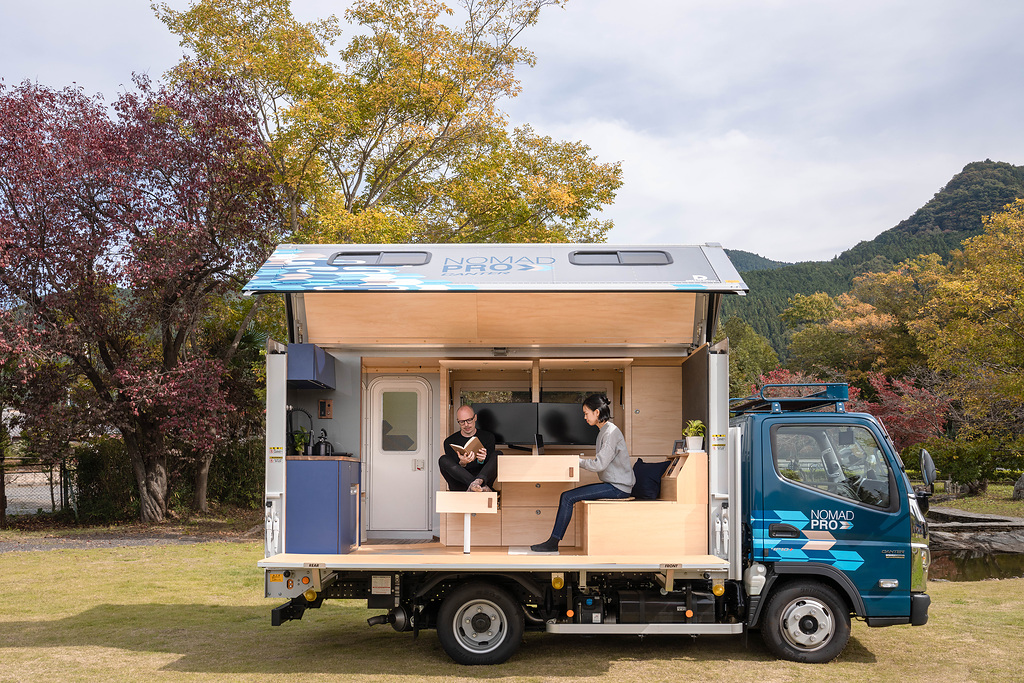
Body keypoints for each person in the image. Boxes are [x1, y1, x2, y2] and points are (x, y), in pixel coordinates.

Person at [530, 394, 634, 553]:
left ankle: (552, 543)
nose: (584, 417)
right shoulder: (604, 431)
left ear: (597, 412)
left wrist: (576, 461)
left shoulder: (610, 433)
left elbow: (599, 464)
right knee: (567, 496)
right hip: (614, 485)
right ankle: (553, 542)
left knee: (567, 497)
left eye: (586, 413)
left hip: (618, 488)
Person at [439, 405, 497, 492]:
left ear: (475, 418)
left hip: (483, 481)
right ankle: (474, 484)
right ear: (458, 421)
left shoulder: (488, 437)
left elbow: (490, 467)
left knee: (498, 455)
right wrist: (462, 463)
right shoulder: (449, 441)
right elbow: (453, 470)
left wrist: (481, 460)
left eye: (469, 420)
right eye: (462, 422)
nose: (466, 425)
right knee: (443, 459)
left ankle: (478, 482)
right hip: (461, 485)